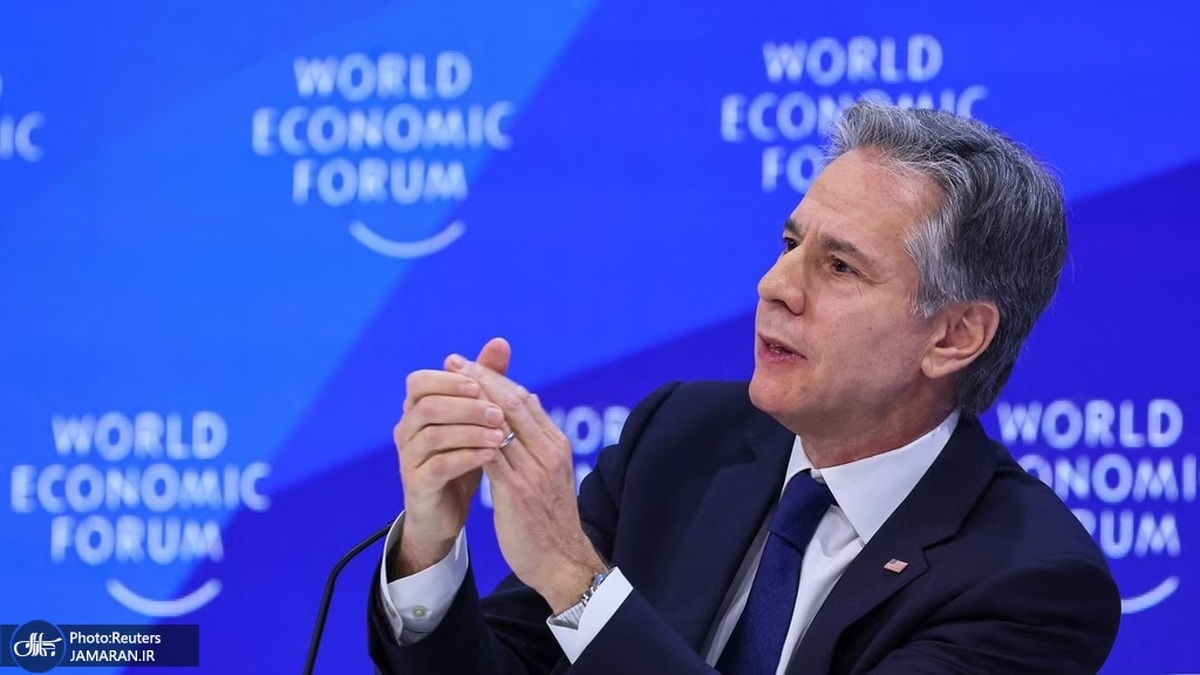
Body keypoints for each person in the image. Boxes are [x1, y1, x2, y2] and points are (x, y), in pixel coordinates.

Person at [367, 101, 1121, 674]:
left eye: (840, 267)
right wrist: (431, 544)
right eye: (790, 243)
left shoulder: (1030, 584)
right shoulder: (678, 439)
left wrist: (576, 580)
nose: (775, 285)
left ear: (954, 336)